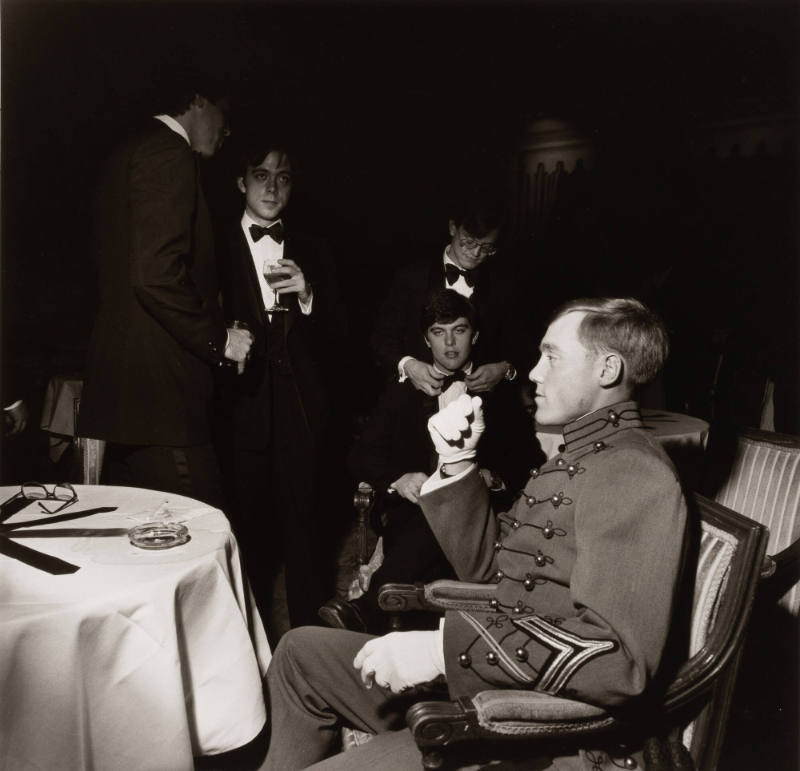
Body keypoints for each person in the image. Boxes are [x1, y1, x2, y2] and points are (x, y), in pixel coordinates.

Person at [263, 297, 688, 770]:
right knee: (299, 651)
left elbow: (620, 662)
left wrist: (442, 651)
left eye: (552, 356)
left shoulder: (631, 471)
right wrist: (459, 462)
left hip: (532, 730)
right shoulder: (581, 456)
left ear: (608, 369)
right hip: (495, 677)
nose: (533, 373)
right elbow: (492, 570)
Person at [78, 70, 252, 508]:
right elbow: (153, 275)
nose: (226, 130)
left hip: (127, 399)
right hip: (164, 400)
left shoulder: (125, 151)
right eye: (223, 115)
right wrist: (220, 339)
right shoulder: (169, 153)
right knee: (205, 532)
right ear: (197, 100)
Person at [319, 289, 510, 634]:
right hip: (411, 519)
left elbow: (527, 459)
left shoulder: (497, 394)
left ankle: (366, 608)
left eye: (460, 330)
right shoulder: (402, 391)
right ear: (426, 340)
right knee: (434, 509)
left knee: (449, 505)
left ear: (475, 335)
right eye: (439, 332)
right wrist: (398, 479)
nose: (450, 343)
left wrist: (490, 477)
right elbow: (360, 457)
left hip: (478, 523)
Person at [218, 135, 346, 634]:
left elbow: (341, 337)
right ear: (241, 182)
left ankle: (310, 663)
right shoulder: (214, 242)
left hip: (302, 416)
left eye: (284, 176)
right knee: (244, 540)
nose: (272, 187)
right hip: (239, 412)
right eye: (262, 174)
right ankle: (244, 662)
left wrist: (309, 295)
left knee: (307, 543)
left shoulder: (315, 248)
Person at [371, 187, 525, 397]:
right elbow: (381, 339)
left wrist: (505, 370)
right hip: (417, 403)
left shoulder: (503, 285)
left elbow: (520, 347)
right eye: (469, 241)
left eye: (487, 247)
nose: (476, 253)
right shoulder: (412, 277)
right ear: (453, 227)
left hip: (483, 407)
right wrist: (408, 365)